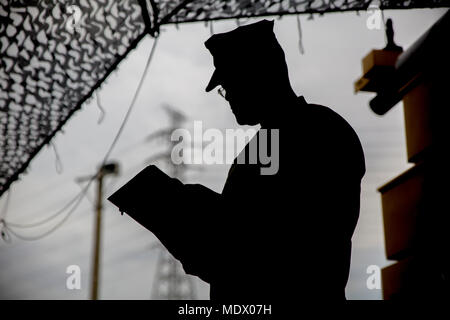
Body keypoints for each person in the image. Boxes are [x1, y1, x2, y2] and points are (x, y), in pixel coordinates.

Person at [111, 19, 365, 300]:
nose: (228, 96)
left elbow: (255, 247)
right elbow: (242, 233)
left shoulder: (317, 132)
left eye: (228, 85)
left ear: (256, 76)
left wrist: (166, 204)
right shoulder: (280, 140)